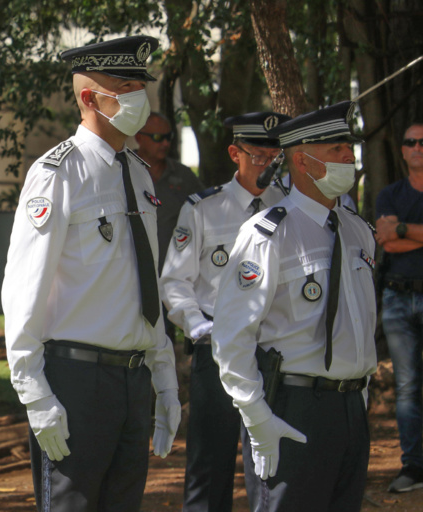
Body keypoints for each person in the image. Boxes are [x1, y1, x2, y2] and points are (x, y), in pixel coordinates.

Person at [2, 35, 182, 512]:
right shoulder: (58, 173)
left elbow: (144, 284)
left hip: (132, 379)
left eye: (140, 87)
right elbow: (23, 289)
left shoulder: (140, 174)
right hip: (75, 381)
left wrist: (164, 378)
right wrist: (34, 392)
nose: (138, 99)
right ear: (89, 98)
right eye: (125, 87)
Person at [211, 101, 377, 511]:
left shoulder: (358, 230)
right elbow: (232, 335)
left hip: (351, 409)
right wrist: (256, 416)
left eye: (348, 147)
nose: (348, 156)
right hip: (295, 407)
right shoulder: (269, 234)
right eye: (337, 148)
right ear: (302, 160)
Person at [160, 112, 289, 512]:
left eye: (274, 155)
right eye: (257, 154)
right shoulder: (203, 208)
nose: (267, 163)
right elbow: (174, 280)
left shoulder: (291, 210)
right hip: (215, 348)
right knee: (210, 460)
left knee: (270, 462)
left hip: (273, 351)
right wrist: (197, 325)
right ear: (235, 153)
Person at [374, 121, 423, 493]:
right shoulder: (389, 194)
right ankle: (413, 467)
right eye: (411, 142)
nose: (418, 147)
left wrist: (402, 229)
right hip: (395, 297)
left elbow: (395, 235)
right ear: (402, 149)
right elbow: (386, 244)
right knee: (407, 387)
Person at [135, 112, 204, 269]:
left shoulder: (183, 176)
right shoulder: (123, 172)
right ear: (139, 138)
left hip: (174, 273)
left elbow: (206, 213)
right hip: (133, 272)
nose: (165, 143)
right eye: (158, 138)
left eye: (169, 137)